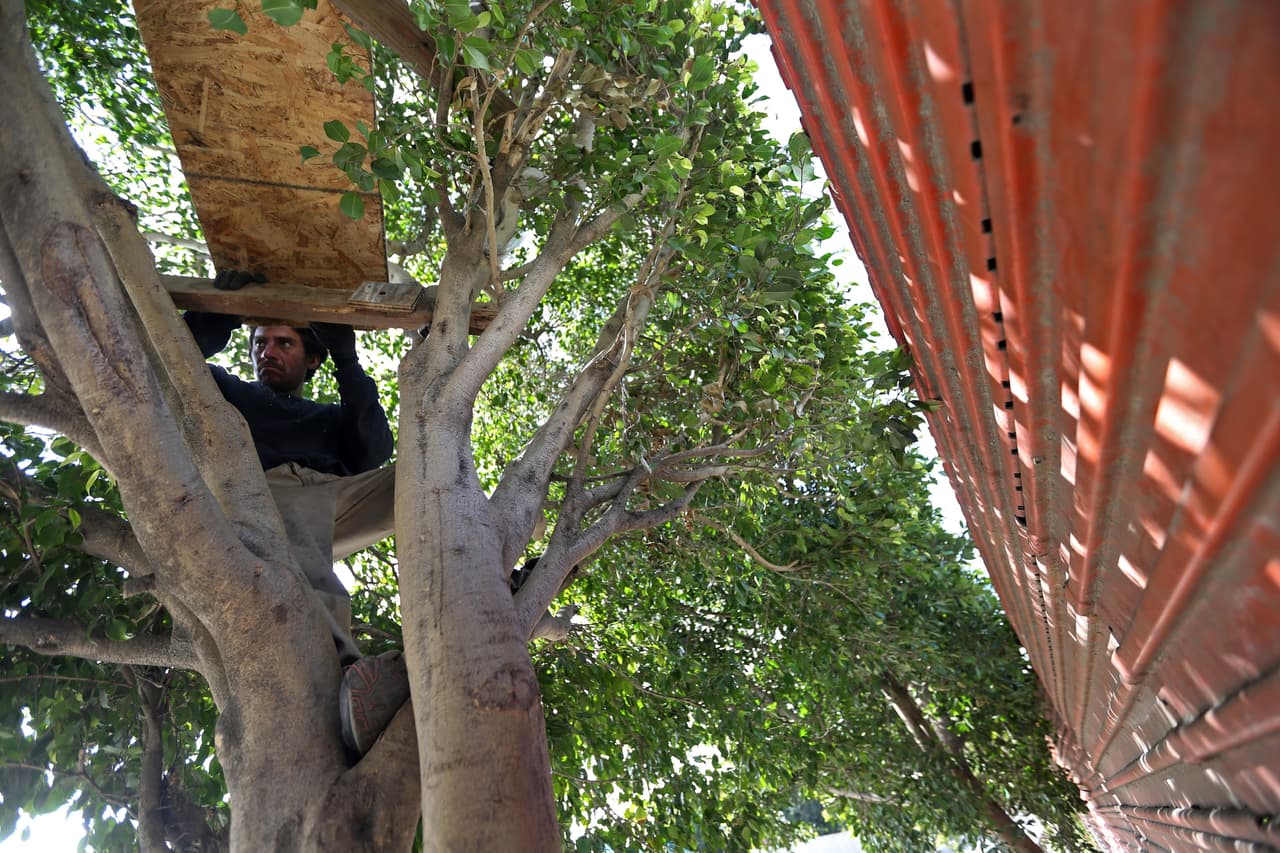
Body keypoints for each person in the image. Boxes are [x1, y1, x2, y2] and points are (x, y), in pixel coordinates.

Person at [183, 270, 408, 755]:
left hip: (336, 499)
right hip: (265, 496)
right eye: (261, 342)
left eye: (284, 342)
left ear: (312, 360)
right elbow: (166, 367)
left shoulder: (330, 419)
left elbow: (373, 452)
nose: (268, 351)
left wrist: (347, 359)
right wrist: (207, 318)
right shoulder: (231, 394)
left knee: (426, 474)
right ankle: (348, 673)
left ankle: (491, 549)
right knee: (295, 516)